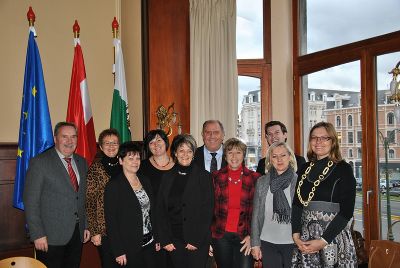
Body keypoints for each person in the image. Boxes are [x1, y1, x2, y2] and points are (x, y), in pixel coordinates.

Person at [23, 121, 90, 268]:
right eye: (64, 136)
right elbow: (31, 201)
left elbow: (82, 197)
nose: (69, 141)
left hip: (77, 233)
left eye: (73, 136)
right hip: (49, 236)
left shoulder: (82, 162)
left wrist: (85, 225)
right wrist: (37, 234)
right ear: (55, 138)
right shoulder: (40, 162)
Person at [291, 121, 357, 267]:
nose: (318, 141)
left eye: (324, 138)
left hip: (332, 238)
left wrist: (323, 241)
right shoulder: (304, 168)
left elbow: (346, 212)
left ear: (333, 141)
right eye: (314, 137)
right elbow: (297, 204)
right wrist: (295, 235)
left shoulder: (343, 169)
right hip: (305, 239)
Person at [156, 134, 214, 268]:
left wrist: (196, 239)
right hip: (173, 241)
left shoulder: (204, 177)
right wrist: (165, 239)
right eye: (181, 150)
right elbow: (160, 210)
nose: (185, 154)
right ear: (175, 152)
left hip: (197, 241)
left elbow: (208, 211)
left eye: (189, 150)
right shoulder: (167, 177)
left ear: (193, 154)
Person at [104, 141, 156, 268]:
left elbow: (153, 212)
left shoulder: (145, 180)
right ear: (121, 161)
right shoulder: (114, 186)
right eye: (130, 158)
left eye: (138, 158)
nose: (135, 161)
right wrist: (118, 250)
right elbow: (111, 221)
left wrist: (157, 238)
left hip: (149, 243)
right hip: (128, 246)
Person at [211, 138, 260, 268]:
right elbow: (207, 209)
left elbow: (259, 212)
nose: (234, 156)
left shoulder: (255, 178)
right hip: (221, 236)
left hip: (245, 236)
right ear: (225, 156)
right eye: (230, 152)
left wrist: (253, 237)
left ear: (243, 155)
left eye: (238, 152)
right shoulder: (215, 177)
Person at [251, 142, 298, 268]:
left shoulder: (299, 181)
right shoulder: (262, 182)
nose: (279, 159)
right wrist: (255, 244)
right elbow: (255, 215)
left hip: (293, 242)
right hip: (267, 242)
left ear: (290, 157)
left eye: (283, 155)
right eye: (275, 156)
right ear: (270, 160)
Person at [138, 129, 175, 268]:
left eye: (159, 140)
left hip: (175, 226)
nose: (155, 144)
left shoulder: (179, 166)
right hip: (151, 226)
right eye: (151, 142)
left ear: (166, 142)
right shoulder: (141, 167)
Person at [86, 128, 122, 267]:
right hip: (104, 230)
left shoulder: (126, 165)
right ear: (100, 147)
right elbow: (89, 202)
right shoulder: (95, 169)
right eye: (107, 143)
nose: (111, 146)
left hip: (125, 227)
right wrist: (95, 231)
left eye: (115, 143)